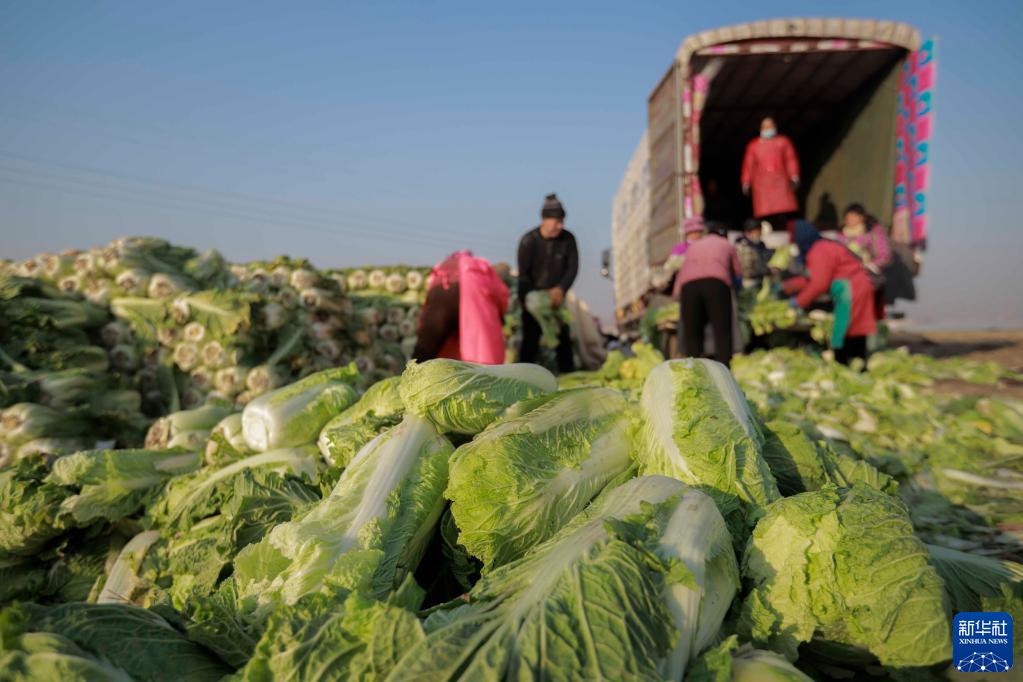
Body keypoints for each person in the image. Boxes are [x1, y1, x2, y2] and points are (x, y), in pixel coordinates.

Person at [782, 221, 877, 366]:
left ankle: (842, 363)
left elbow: (819, 284)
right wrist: (788, 286)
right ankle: (857, 361)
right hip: (856, 285)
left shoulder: (818, 251)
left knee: (845, 327)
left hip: (850, 288)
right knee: (854, 327)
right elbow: (813, 278)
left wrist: (798, 302)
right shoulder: (822, 246)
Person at [517, 193, 579, 371]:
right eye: (556, 221)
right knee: (530, 338)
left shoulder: (568, 239)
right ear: (544, 219)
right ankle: (524, 375)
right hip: (533, 299)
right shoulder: (529, 240)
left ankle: (567, 374)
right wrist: (531, 300)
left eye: (562, 221)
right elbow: (523, 275)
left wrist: (560, 289)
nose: (560, 226)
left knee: (562, 337)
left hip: (557, 297)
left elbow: (572, 268)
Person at [412, 251, 508, 364]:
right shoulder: (481, 266)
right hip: (472, 301)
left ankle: (412, 372)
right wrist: (500, 315)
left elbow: (429, 294)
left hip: (441, 295)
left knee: (425, 351)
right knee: (479, 355)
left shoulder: (442, 265)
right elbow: (501, 293)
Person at [673, 216, 741, 365]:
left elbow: (682, 271)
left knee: (692, 332)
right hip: (716, 284)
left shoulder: (694, 246)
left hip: (688, 287)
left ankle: (693, 368)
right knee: (722, 330)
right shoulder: (727, 245)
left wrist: (676, 295)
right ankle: (724, 367)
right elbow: (737, 272)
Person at [741, 117, 800, 235]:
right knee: (765, 214)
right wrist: (746, 181)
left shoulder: (783, 142)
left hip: (780, 181)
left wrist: (794, 175)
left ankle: (786, 231)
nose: (768, 129)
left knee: (783, 211)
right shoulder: (754, 146)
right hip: (762, 184)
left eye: (770, 126)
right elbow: (748, 165)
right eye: (766, 127)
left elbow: (790, 160)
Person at [735, 218, 772, 286]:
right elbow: (747, 271)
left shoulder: (759, 245)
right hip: (748, 283)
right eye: (758, 232)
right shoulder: (743, 246)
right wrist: (768, 271)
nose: (760, 234)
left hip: (760, 280)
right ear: (748, 232)